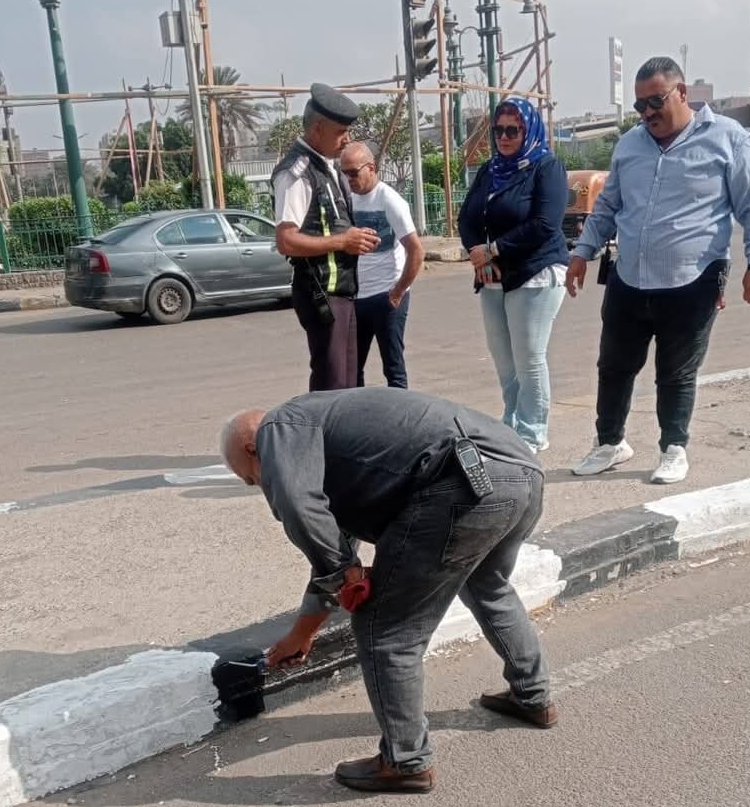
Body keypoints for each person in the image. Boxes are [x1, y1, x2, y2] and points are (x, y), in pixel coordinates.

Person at [220, 388, 556, 794]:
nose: (259, 484)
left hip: (457, 484)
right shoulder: (332, 440)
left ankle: (405, 762)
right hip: (519, 473)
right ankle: (533, 696)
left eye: (251, 477)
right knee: (489, 588)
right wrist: (305, 630)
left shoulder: (280, 426)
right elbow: (333, 550)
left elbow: (298, 505)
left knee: (387, 631)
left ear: (250, 447)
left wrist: (344, 570)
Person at [566, 56, 750, 484]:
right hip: (629, 277)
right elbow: (607, 206)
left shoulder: (727, 139)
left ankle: (673, 448)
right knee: (614, 366)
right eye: (640, 106)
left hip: (692, 281)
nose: (647, 113)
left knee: (676, 372)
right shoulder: (630, 145)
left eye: (655, 101)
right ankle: (610, 443)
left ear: (682, 93)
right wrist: (581, 253)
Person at [457, 97, 570, 454]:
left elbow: (544, 224)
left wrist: (493, 249)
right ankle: (513, 422)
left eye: (513, 130)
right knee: (503, 357)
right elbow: (467, 217)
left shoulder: (546, 167)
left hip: (535, 271)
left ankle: (533, 432)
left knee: (528, 356)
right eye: (499, 130)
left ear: (528, 130)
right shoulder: (490, 170)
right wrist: (479, 253)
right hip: (493, 275)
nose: (504, 137)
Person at [272, 83, 380, 391]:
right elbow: (286, 240)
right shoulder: (297, 173)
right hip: (322, 294)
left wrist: (353, 239)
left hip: (341, 292)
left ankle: (342, 439)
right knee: (330, 387)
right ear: (318, 129)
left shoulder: (327, 166)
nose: (347, 139)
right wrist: (344, 242)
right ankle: (320, 439)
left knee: (348, 385)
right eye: (340, 131)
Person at [339, 142, 425, 388]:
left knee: (393, 368)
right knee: (352, 368)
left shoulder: (390, 201)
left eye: (353, 173)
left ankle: (400, 422)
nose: (349, 179)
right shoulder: (347, 200)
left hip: (386, 296)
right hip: (356, 297)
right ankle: (356, 420)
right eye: (343, 174)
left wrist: (398, 291)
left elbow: (416, 251)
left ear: (371, 168)